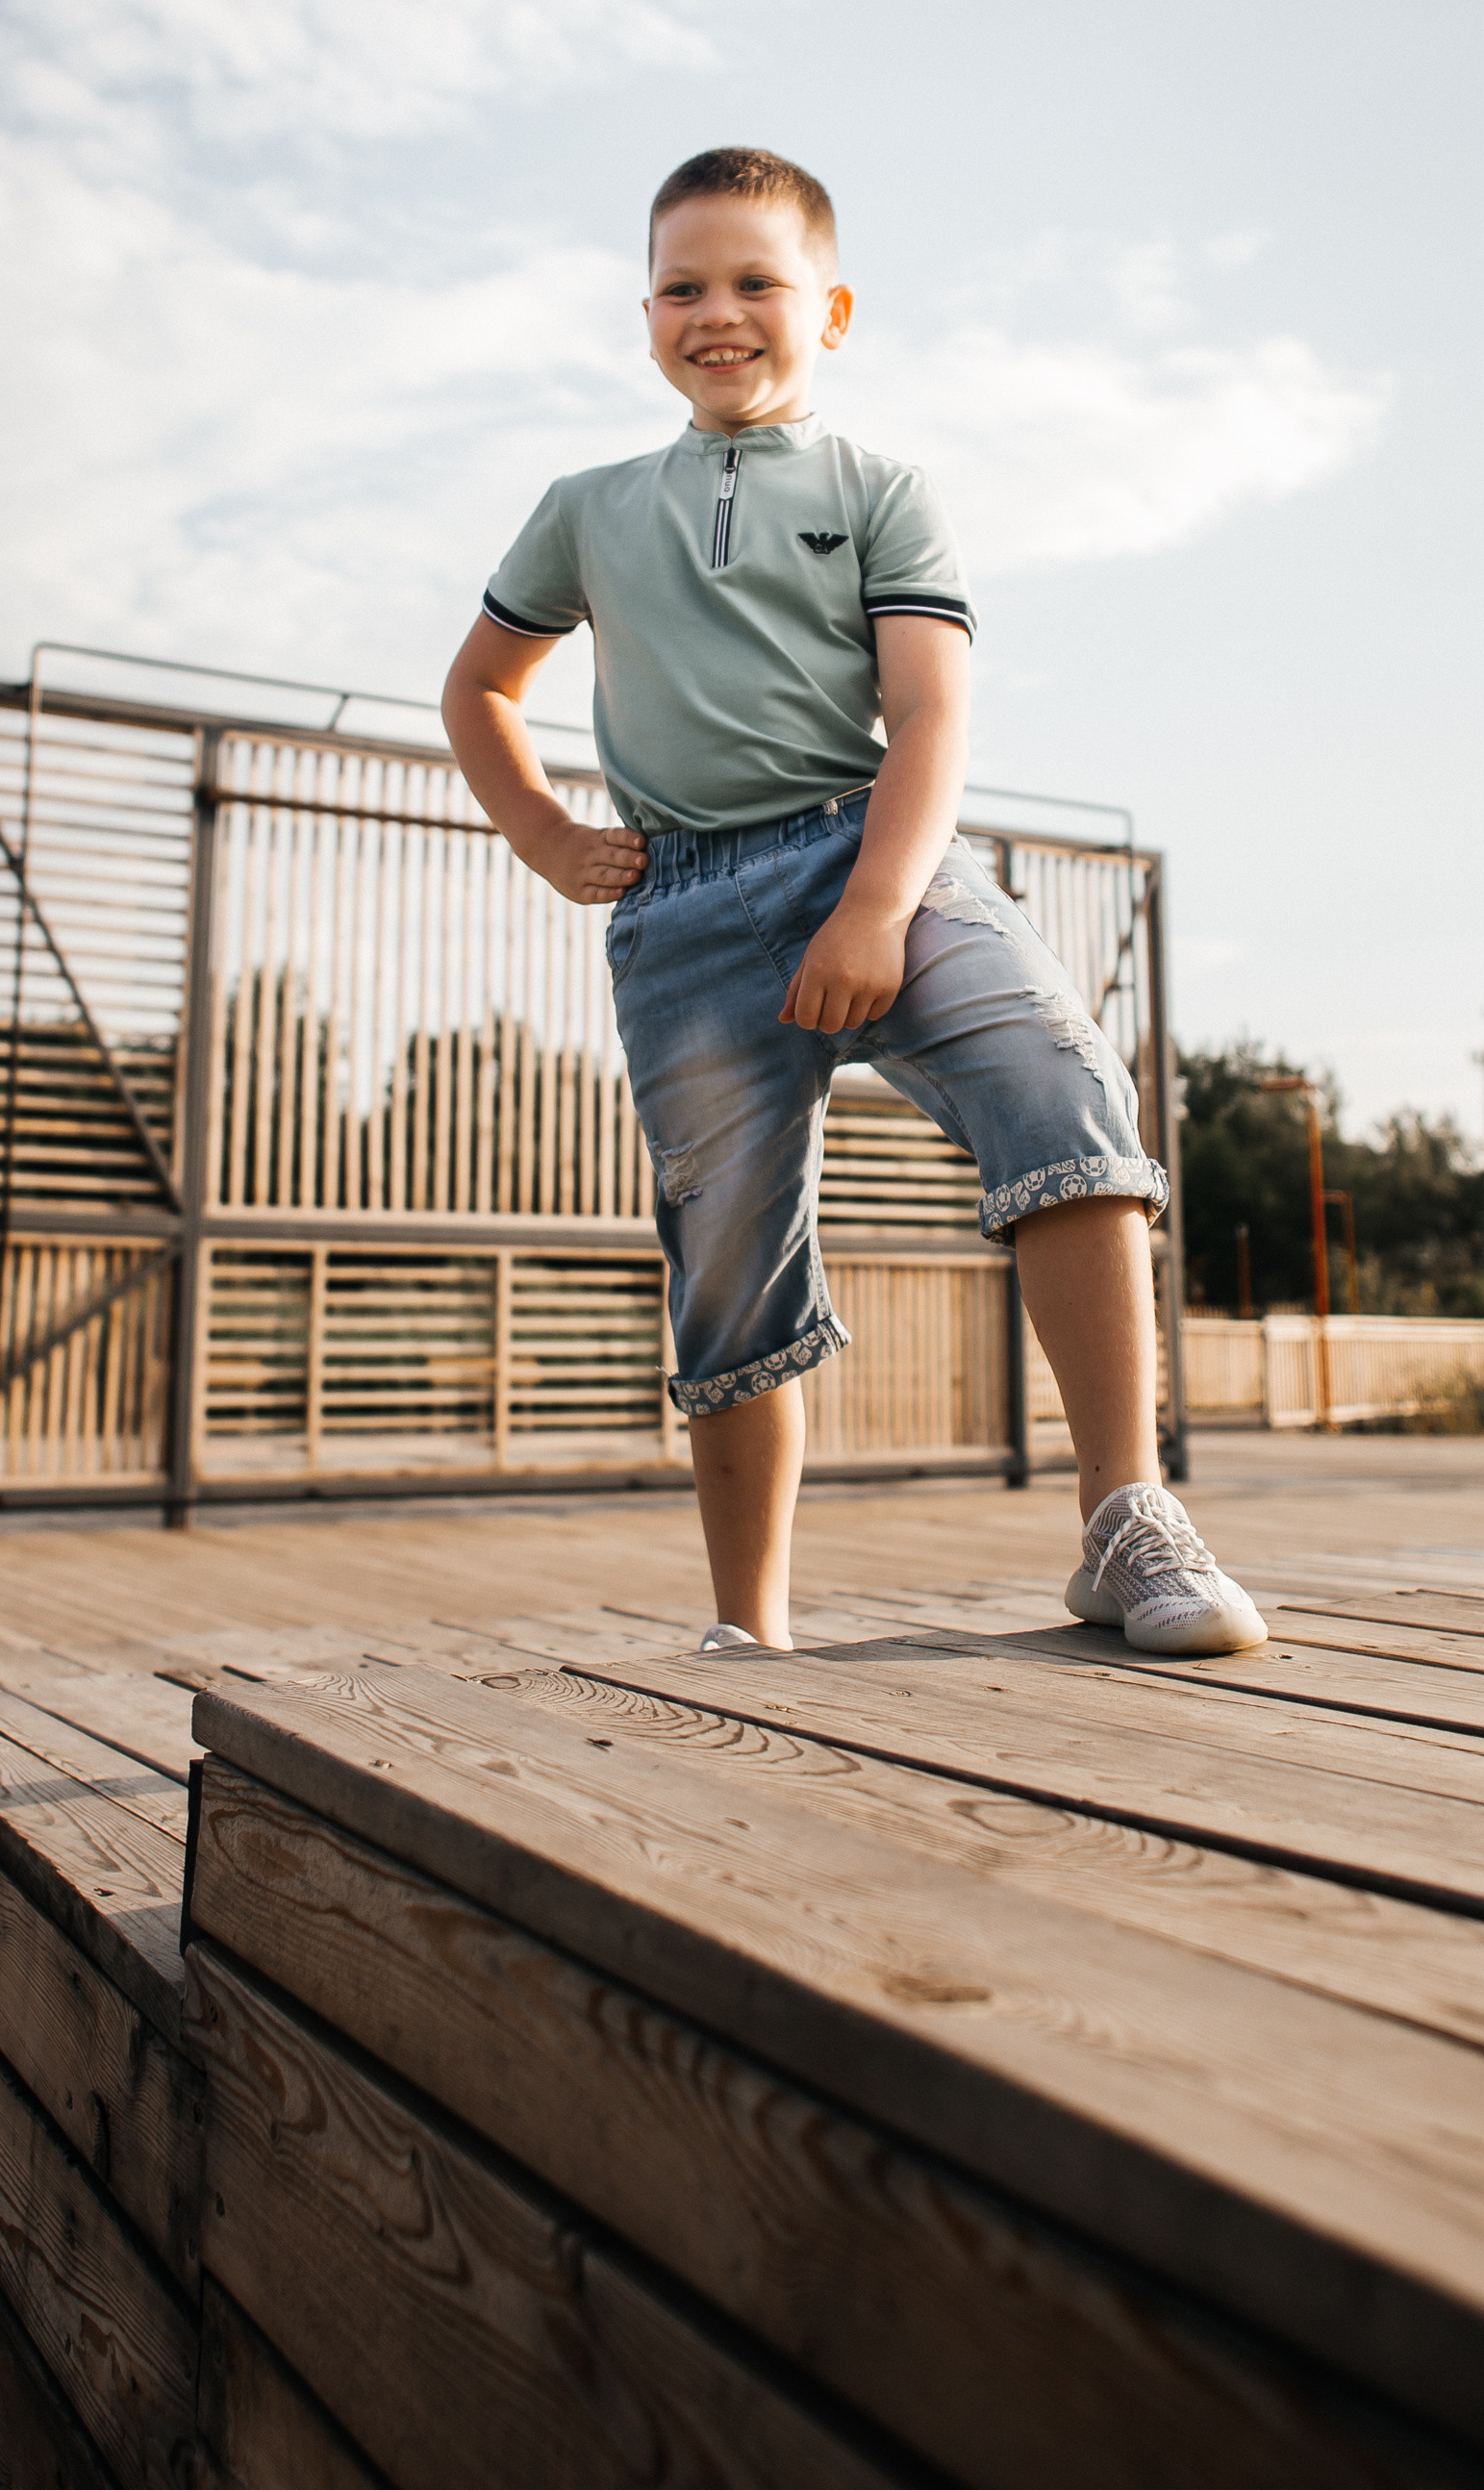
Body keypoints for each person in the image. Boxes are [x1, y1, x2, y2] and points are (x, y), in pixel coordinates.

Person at [440, 143, 1264, 1659]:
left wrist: (877, 907)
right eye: (684, 285)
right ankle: (748, 1631)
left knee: (1060, 1082)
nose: (720, 311)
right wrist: (544, 834)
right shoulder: (586, 506)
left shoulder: (882, 489)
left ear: (832, 308)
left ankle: (1128, 1521)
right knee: (727, 1260)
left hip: (872, 854)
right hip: (683, 914)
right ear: (645, 318)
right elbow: (482, 687)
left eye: (758, 281)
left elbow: (931, 716)